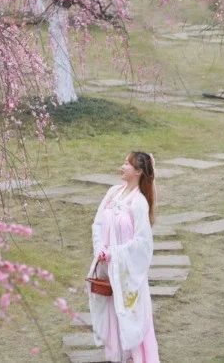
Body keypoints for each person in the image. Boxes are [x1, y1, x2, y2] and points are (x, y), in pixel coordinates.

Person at [88, 152, 160, 362]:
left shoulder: (139, 202)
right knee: (112, 312)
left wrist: (113, 253)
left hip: (128, 272)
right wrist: (100, 248)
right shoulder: (113, 193)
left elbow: (142, 243)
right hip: (109, 267)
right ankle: (117, 357)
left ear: (138, 171)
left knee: (130, 314)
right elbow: (98, 223)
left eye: (127, 164)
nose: (122, 166)